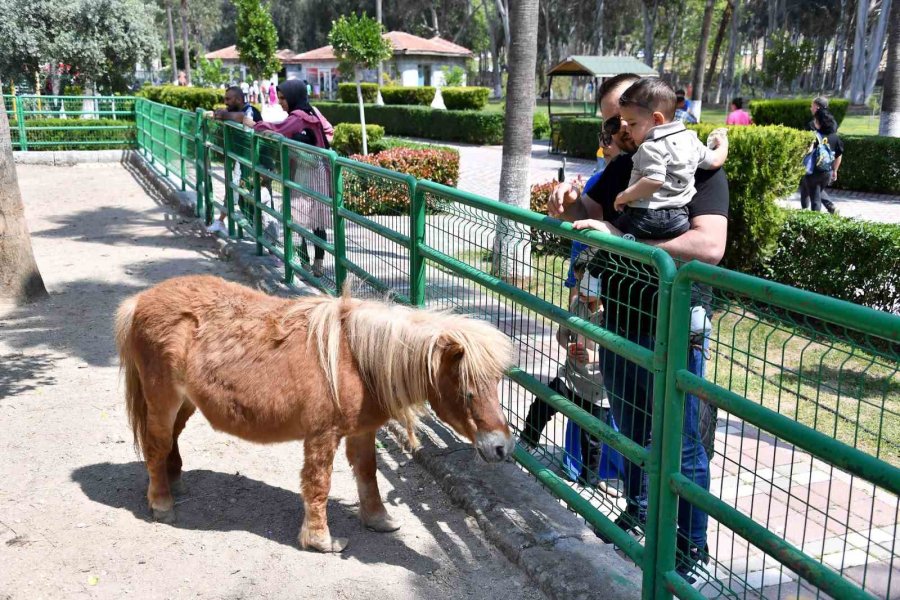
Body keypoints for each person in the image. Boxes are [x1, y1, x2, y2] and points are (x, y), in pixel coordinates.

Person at [548, 72, 728, 582]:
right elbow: (592, 212)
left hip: (673, 319)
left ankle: (689, 550)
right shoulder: (627, 163)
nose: (614, 131)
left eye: (621, 121)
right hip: (621, 315)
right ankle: (640, 513)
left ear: (654, 116)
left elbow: (708, 246)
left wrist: (620, 241)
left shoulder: (692, 162)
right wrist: (566, 203)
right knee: (629, 428)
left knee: (681, 440)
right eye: (612, 121)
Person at [520, 254, 616, 494]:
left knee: (592, 439)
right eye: (577, 282)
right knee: (542, 403)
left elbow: (619, 353)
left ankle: (590, 480)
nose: (580, 290)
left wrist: (595, 357)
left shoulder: (613, 316)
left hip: (598, 390)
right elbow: (562, 334)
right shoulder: (577, 305)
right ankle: (526, 443)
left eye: (586, 285)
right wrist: (568, 346)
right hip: (570, 378)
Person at [612, 78, 728, 241]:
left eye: (632, 124)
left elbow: (654, 180)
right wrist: (722, 145)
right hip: (679, 219)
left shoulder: (650, 147)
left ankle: (591, 262)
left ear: (657, 120)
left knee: (612, 232)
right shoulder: (691, 140)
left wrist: (624, 196)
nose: (628, 130)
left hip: (645, 217)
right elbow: (715, 160)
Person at [249, 80, 335, 277]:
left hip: (308, 172)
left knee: (295, 217)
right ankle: (316, 265)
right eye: (279, 98)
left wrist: (256, 125)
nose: (280, 102)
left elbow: (278, 129)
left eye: (283, 98)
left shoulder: (297, 117)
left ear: (293, 97)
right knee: (316, 219)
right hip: (320, 169)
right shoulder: (311, 111)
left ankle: (306, 264)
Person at [205, 86, 264, 235]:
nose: (225, 102)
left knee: (255, 197)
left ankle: (265, 238)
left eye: (228, 99)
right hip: (241, 159)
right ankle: (221, 221)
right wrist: (218, 114)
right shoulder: (232, 111)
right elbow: (223, 114)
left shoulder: (251, 111)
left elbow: (246, 120)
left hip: (254, 161)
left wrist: (225, 115)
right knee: (234, 190)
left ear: (238, 99)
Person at [799, 106, 842, 214]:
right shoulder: (835, 137)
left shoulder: (815, 136)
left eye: (815, 120)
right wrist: (835, 171)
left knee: (815, 200)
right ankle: (804, 211)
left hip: (813, 172)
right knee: (809, 189)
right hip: (826, 172)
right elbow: (838, 155)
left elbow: (807, 151)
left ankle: (814, 222)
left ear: (819, 122)